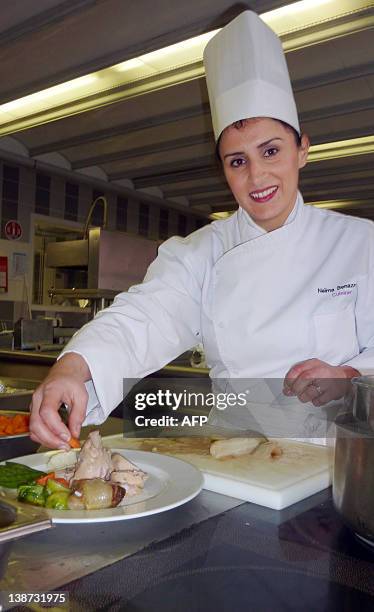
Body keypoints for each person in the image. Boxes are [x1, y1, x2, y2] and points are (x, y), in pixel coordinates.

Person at [30, 11, 373, 450]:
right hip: (237, 458)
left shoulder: (362, 244)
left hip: (340, 464)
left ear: (302, 150)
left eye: (271, 151)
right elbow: (143, 318)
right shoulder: (200, 253)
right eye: (237, 161)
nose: (257, 177)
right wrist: (72, 368)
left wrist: (352, 378)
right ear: (223, 169)